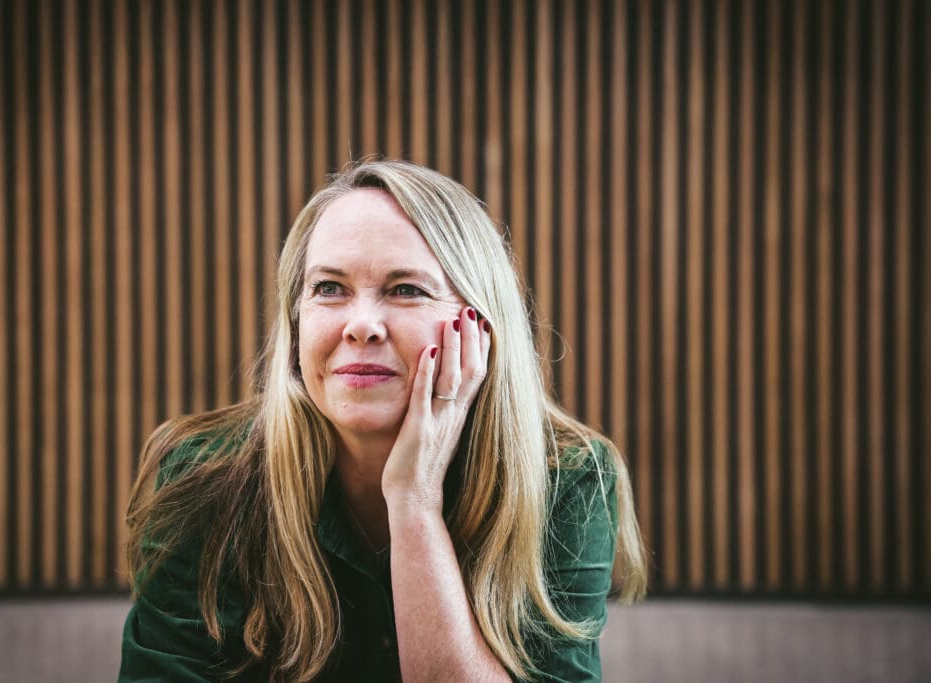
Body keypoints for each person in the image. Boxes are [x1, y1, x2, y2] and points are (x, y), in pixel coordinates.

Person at [118, 159, 647, 682]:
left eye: (405, 289)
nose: (362, 325)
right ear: (296, 320)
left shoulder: (568, 479)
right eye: (329, 288)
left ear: (480, 327)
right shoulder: (201, 474)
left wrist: (414, 501)